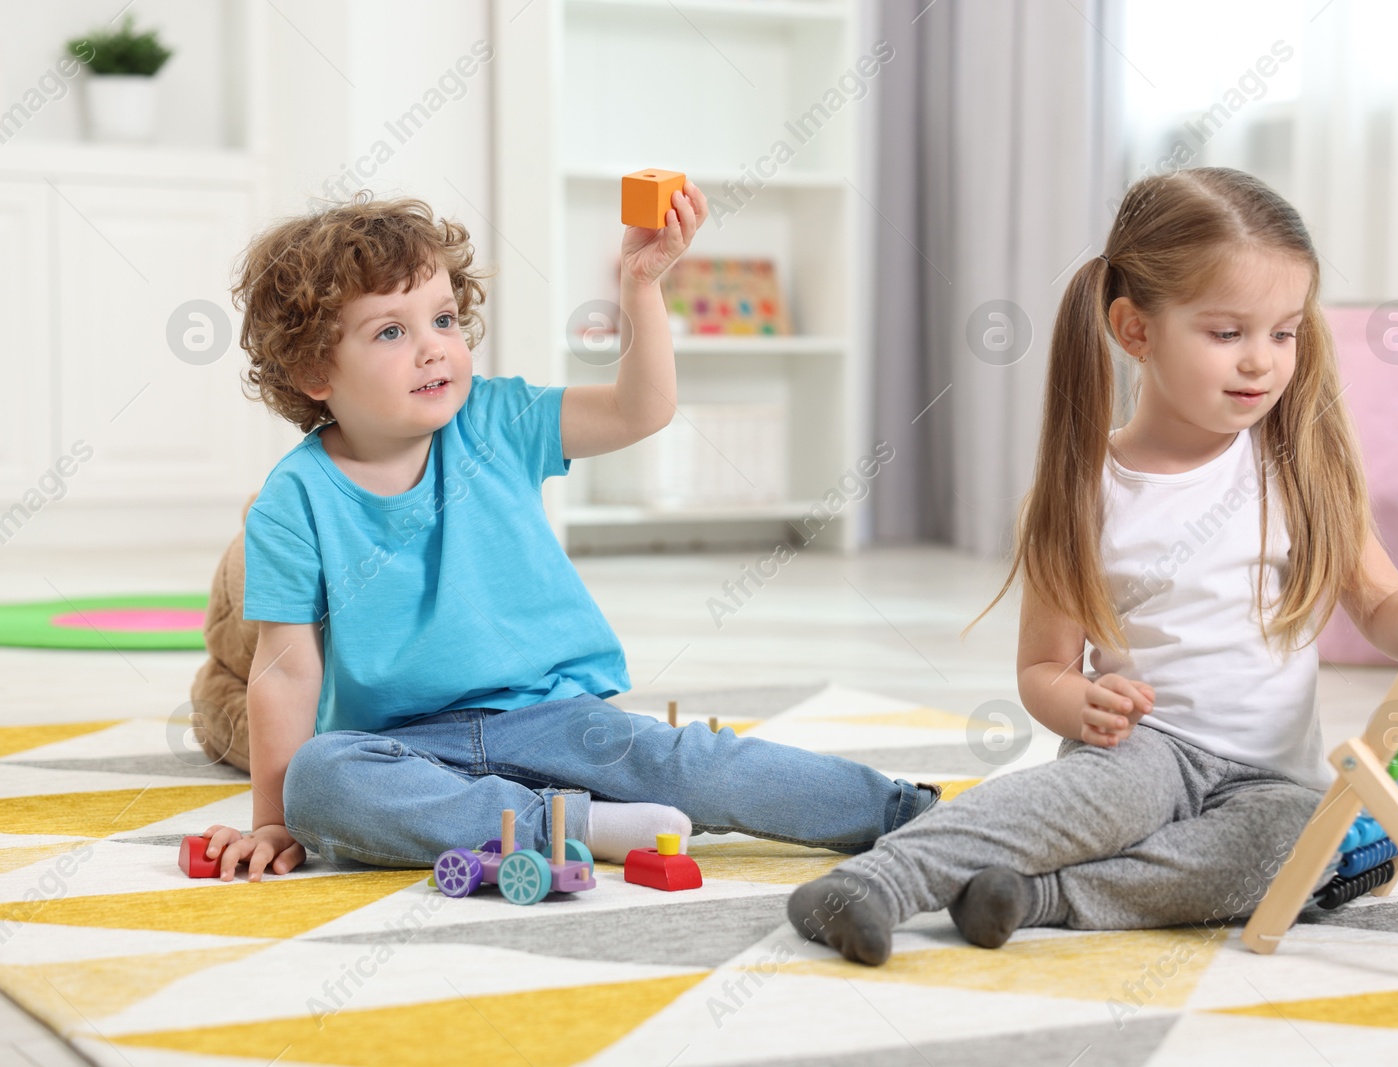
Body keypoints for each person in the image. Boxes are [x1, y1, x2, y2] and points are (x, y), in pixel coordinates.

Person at [788, 166, 1398, 965]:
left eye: (1283, 333)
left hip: (1272, 777)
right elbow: (1044, 666)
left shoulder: (1302, 463)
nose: (1261, 361)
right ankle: (877, 880)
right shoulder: (1085, 487)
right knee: (1085, 801)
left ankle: (1039, 897)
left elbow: (1383, 606)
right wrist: (1079, 704)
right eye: (1227, 334)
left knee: (1301, 854)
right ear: (1136, 330)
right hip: (1147, 745)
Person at [201, 189, 940, 882]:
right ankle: (579, 826)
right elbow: (287, 670)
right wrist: (274, 820)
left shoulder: (499, 420)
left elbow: (639, 408)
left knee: (697, 763)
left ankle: (907, 811)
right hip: (411, 750)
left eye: (444, 319)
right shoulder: (290, 501)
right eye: (392, 331)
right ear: (313, 371)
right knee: (320, 779)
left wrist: (640, 286)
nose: (433, 348)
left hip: (561, 721)